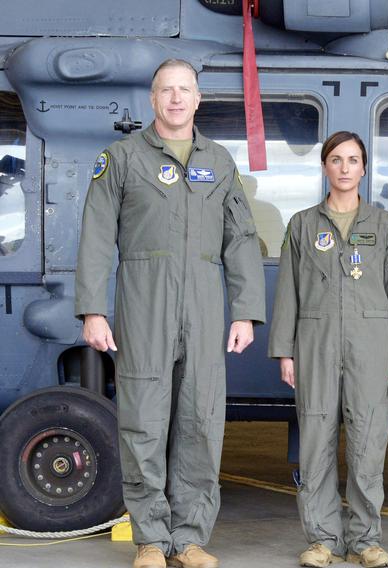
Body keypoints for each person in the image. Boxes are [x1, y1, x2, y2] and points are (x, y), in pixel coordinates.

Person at [74, 59, 266, 568]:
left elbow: (241, 240)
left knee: (202, 420)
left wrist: (245, 311)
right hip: (144, 299)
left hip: (204, 299)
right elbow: (96, 235)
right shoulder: (122, 158)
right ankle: (152, 541)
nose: (177, 99)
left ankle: (191, 538)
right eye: (167, 90)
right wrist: (93, 309)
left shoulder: (220, 162)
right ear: (153, 99)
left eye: (185, 90)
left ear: (198, 99)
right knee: (144, 420)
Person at [268, 131, 388, 568]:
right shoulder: (302, 224)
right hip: (315, 342)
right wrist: (285, 350)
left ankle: (366, 539)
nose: (345, 167)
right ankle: (322, 539)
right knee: (315, 440)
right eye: (336, 159)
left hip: (372, 343)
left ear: (364, 168)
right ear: (325, 167)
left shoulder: (385, 224)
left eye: (353, 160)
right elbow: (288, 293)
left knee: (369, 443)